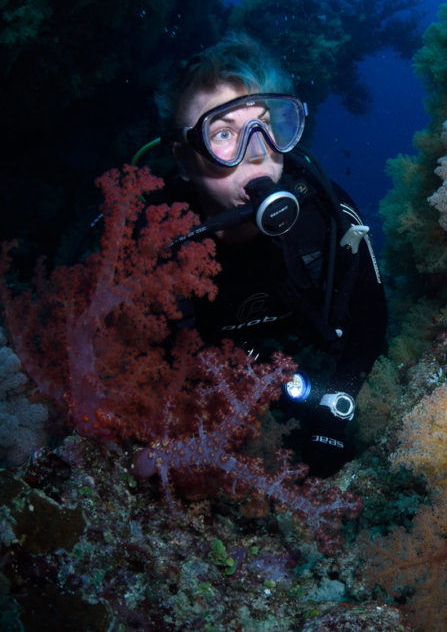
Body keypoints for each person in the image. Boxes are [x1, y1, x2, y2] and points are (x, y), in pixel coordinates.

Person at [154, 34, 387, 477]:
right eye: (224, 134)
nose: (258, 153)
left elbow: (371, 314)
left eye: (267, 125)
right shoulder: (156, 241)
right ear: (184, 161)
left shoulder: (325, 209)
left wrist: (335, 412)